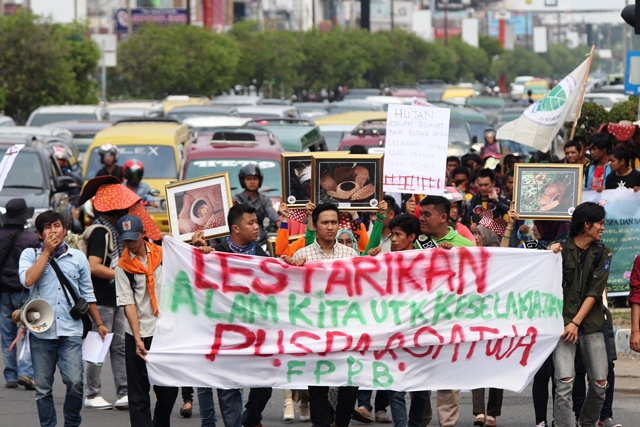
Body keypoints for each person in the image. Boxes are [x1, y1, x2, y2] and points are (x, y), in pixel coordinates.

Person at [19, 210, 109, 427]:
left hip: (71, 331)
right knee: (43, 388)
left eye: (57, 225)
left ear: (65, 229)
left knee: (75, 382)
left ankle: (72, 423)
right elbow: (28, 280)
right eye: (48, 228)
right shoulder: (30, 255)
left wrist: (99, 323)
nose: (53, 231)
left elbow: (87, 294)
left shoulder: (78, 257)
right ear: (40, 234)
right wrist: (46, 253)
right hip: (41, 332)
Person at [285, 203, 359, 427]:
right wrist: (292, 269)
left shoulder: (351, 254)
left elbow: (362, 289)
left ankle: (342, 421)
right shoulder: (302, 254)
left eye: (334, 222)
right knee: (317, 384)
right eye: (325, 222)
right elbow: (289, 291)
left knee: (350, 381)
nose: (330, 227)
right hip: (314, 331)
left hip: (345, 329)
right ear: (315, 225)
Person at [549, 202, 611, 427]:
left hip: (591, 326)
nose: (602, 228)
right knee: (564, 382)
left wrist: (576, 322)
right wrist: (549, 253)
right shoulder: (560, 250)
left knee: (600, 383)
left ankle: (586, 423)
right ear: (586, 225)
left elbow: (595, 292)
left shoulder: (603, 252)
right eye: (600, 223)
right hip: (562, 325)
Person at [115, 214, 178, 427]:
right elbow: (128, 304)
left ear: (143, 234)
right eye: (125, 240)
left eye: (133, 238)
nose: (130, 244)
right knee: (138, 392)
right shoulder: (122, 266)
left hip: (165, 332)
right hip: (138, 333)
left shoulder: (163, 253)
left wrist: (177, 240)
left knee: (168, 389)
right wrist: (138, 338)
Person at [416, 196, 471, 427]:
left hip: (451, 321)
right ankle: (421, 420)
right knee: (420, 377)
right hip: (418, 320)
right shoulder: (414, 241)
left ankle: (447, 424)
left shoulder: (465, 245)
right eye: (420, 214)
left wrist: (454, 254)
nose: (422, 219)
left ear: (443, 217)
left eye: (427, 214)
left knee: (448, 376)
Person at [385, 213, 431, 427]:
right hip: (394, 335)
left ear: (412, 237)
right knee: (396, 389)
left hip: (422, 334)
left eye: (398, 235)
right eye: (392, 235)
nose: (393, 239)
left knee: (421, 392)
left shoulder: (428, 260)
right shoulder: (384, 261)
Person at [84, 200, 129, 410]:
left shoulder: (114, 232)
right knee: (99, 346)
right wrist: (121, 274)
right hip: (100, 298)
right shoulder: (101, 232)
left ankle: (124, 392)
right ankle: (92, 393)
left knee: (119, 346)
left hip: (116, 296)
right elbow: (93, 266)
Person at [0, 198, 39, 390]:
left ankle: (10, 374)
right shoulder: (30, 239)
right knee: (30, 332)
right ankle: (27, 372)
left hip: (4, 292)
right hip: (24, 292)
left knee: (7, 334)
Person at [471, 219, 504, 427]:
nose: (475, 239)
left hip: (498, 317)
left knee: (497, 365)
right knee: (476, 364)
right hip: (476, 317)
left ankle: (492, 412)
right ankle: (478, 412)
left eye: (479, 235)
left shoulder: (503, 256)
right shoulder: (472, 256)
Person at [233, 164, 281, 246]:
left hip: (261, 240)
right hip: (242, 239)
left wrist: (280, 222)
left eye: (255, 179)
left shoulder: (264, 199)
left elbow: (272, 213)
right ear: (243, 181)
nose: (252, 182)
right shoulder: (236, 199)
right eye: (249, 179)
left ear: (260, 180)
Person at [462, 168, 510, 233]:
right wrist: (470, 227)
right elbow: (464, 222)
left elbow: (510, 212)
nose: (483, 188)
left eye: (486, 185)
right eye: (480, 185)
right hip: (476, 240)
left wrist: (496, 199)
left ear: (493, 183)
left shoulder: (502, 199)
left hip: (497, 239)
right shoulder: (470, 202)